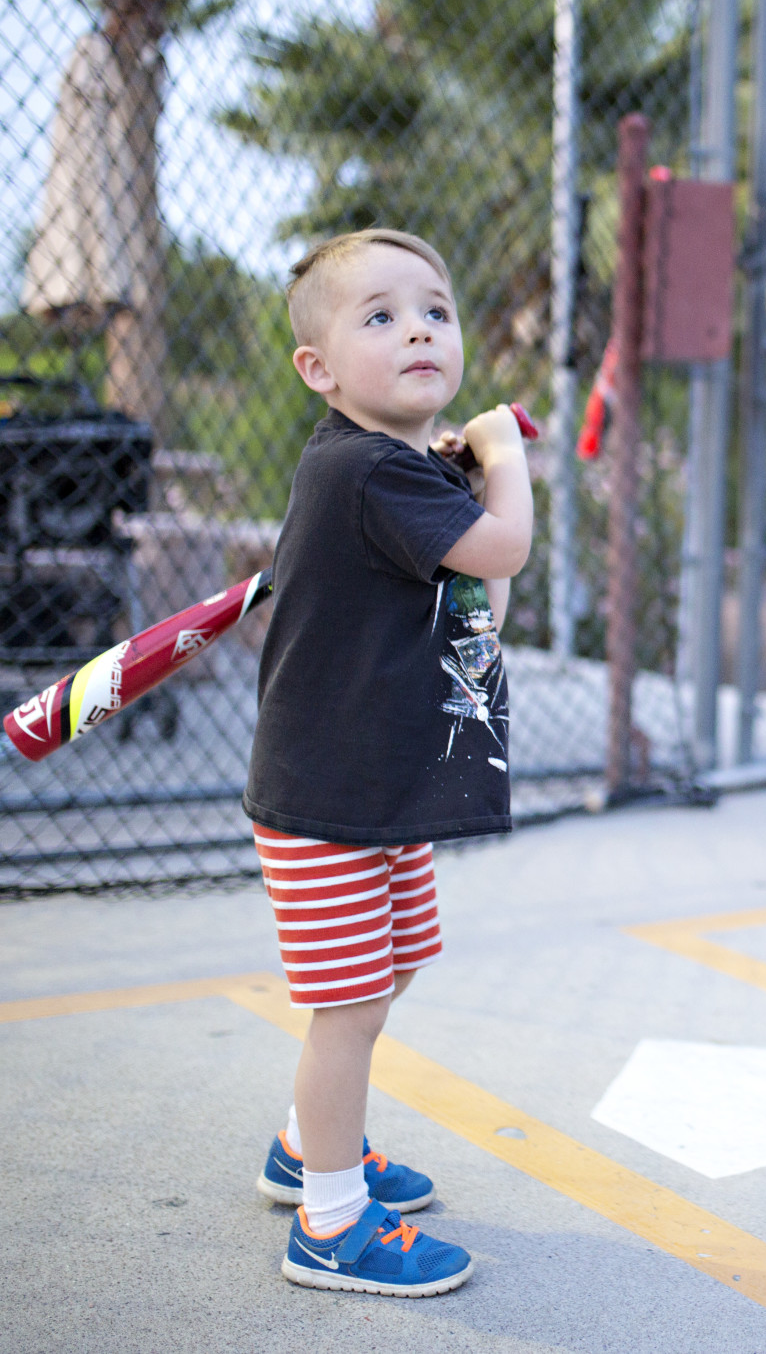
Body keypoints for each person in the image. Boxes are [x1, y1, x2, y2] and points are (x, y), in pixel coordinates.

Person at [241, 228, 533, 1297]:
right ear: (318, 370)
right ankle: (327, 1221)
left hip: (374, 785)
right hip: (328, 796)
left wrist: (465, 479)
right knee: (350, 1006)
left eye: (433, 311)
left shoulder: (401, 471)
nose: (416, 326)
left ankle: (303, 1144)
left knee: (397, 961)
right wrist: (503, 462)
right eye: (379, 316)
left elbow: (478, 606)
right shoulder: (366, 468)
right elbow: (507, 550)